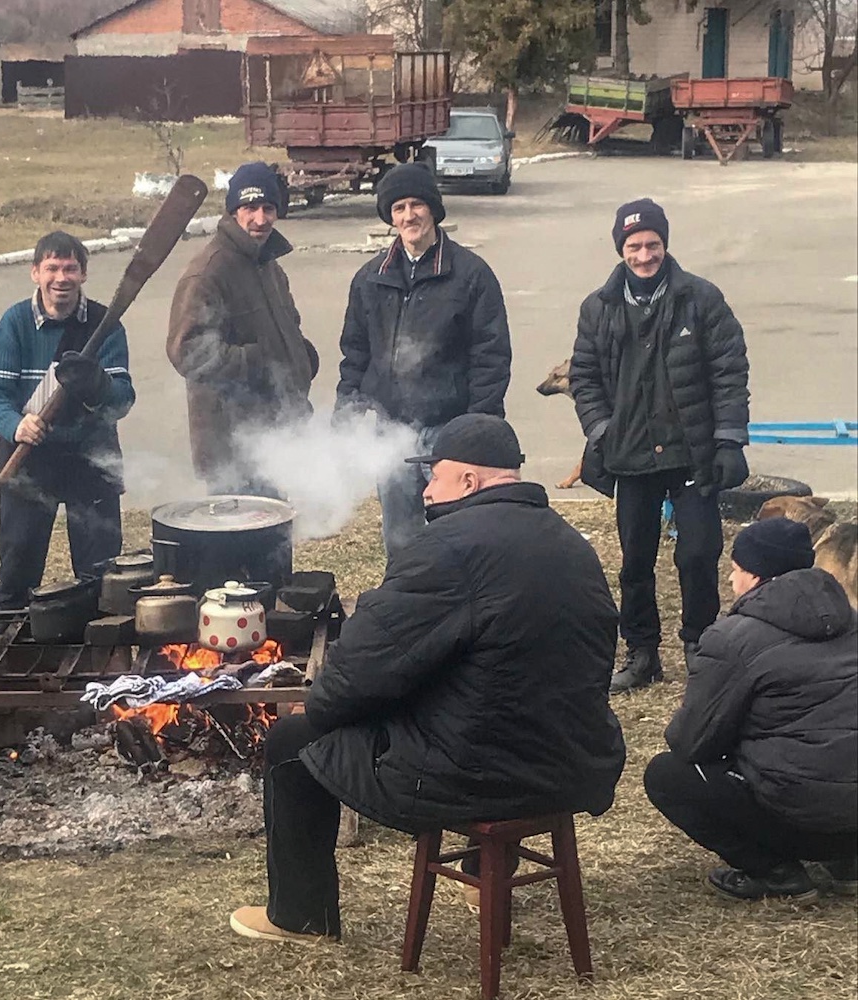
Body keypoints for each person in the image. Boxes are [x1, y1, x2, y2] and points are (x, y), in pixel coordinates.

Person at [228, 413, 626, 943]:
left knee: (291, 740)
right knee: (481, 698)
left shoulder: (448, 550)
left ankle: (300, 916)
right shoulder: (570, 542)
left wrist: (315, 708)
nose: (426, 488)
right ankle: (483, 873)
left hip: (480, 775)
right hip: (572, 761)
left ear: (468, 481)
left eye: (434, 475)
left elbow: (361, 669)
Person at [570, 198, 750, 693]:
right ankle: (642, 652)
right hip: (629, 454)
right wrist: (600, 431)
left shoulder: (702, 299)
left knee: (697, 553)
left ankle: (700, 645)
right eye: (634, 246)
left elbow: (730, 373)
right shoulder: (598, 308)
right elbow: (583, 377)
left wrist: (729, 440)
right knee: (635, 562)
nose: (644, 255)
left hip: (691, 452)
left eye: (652, 244)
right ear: (620, 250)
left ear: (665, 244)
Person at [644, 517, 858, 902]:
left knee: (667, 775)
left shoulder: (733, 639)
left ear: (756, 577)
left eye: (736, 569)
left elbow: (691, 742)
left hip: (795, 814)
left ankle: (776, 872)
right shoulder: (852, 621)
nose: (730, 580)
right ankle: (847, 861)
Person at [335, 163, 512, 559]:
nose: (408, 215)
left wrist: (478, 429)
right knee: (401, 541)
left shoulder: (471, 275)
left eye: (417, 205)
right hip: (390, 434)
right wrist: (346, 411)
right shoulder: (369, 278)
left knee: (457, 538)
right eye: (398, 208)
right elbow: (355, 352)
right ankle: (408, 612)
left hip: (447, 432)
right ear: (389, 217)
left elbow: (491, 357)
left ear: (433, 209)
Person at [0, 230, 134, 611]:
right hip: (29, 459)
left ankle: (104, 655)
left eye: (70, 268)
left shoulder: (106, 324)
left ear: (83, 274)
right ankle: (12, 646)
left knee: (102, 576)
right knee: (18, 568)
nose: (60, 278)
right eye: (52, 268)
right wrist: (16, 425)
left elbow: (122, 400)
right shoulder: (14, 323)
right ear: (35, 273)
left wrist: (97, 387)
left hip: (91, 458)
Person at [167, 162, 319, 495]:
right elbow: (187, 351)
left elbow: (286, 328)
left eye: (268, 208)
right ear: (234, 211)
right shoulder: (208, 272)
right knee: (239, 543)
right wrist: (256, 361)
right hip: (232, 448)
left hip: (277, 436)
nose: (260, 219)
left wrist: (300, 358)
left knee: (277, 541)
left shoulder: (268, 266)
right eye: (250, 208)